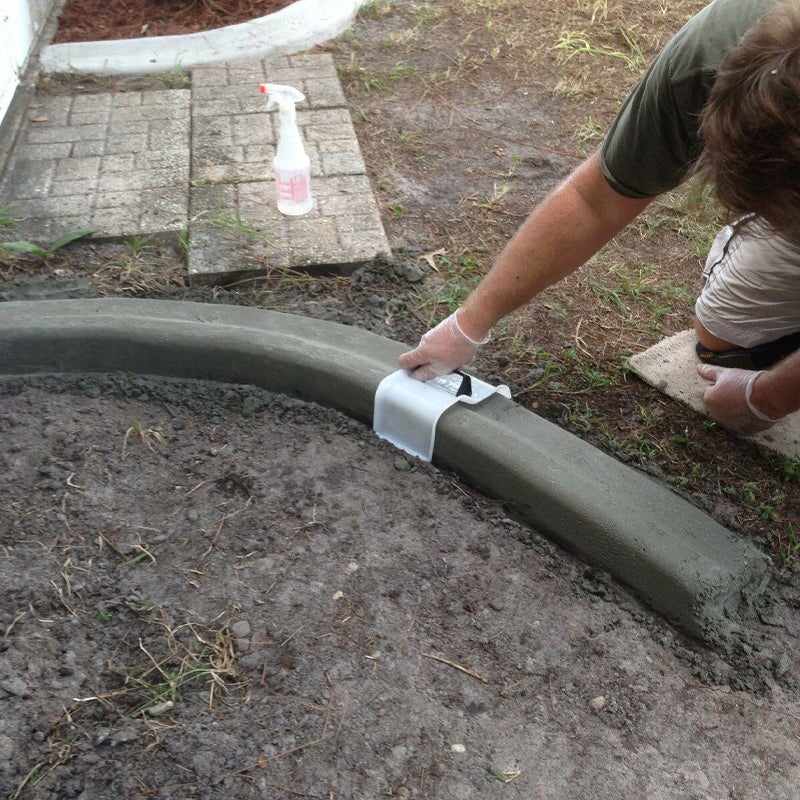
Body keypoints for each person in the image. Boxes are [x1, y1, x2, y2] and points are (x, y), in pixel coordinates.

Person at [398, 0, 800, 437]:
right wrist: (468, 324)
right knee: (727, 341)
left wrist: (768, 396)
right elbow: (594, 201)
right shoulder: (711, 54)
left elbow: (770, 396)